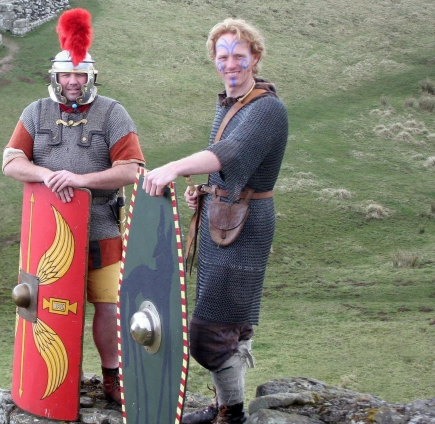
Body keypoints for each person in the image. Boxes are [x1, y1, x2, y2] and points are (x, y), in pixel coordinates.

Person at [142, 18, 288, 424]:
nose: (231, 64)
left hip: (246, 226)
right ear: (214, 59)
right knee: (231, 326)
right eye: (223, 56)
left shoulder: (268, 109)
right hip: (222, 219)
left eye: (239, 56)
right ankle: (229, 407)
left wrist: (173, 167)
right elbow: (226, 166)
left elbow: (233, 151)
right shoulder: (230, 104)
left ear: (255, 58)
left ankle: (233, 413)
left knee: (209, 334)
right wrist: (204, 191)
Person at [1, 8, 145, 404]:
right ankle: (58, 382)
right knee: (47, 304)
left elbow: (132, 170)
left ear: (91, 77)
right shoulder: (36, 112)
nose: (73, 82)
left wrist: (81, 181)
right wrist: (46, 175)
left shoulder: (113, 113)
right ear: (56, 77)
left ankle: (112, 377)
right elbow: (11, 162)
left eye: (80, 75)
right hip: (48, 230)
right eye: (67, 74)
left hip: (101, 225)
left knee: (108, 305)